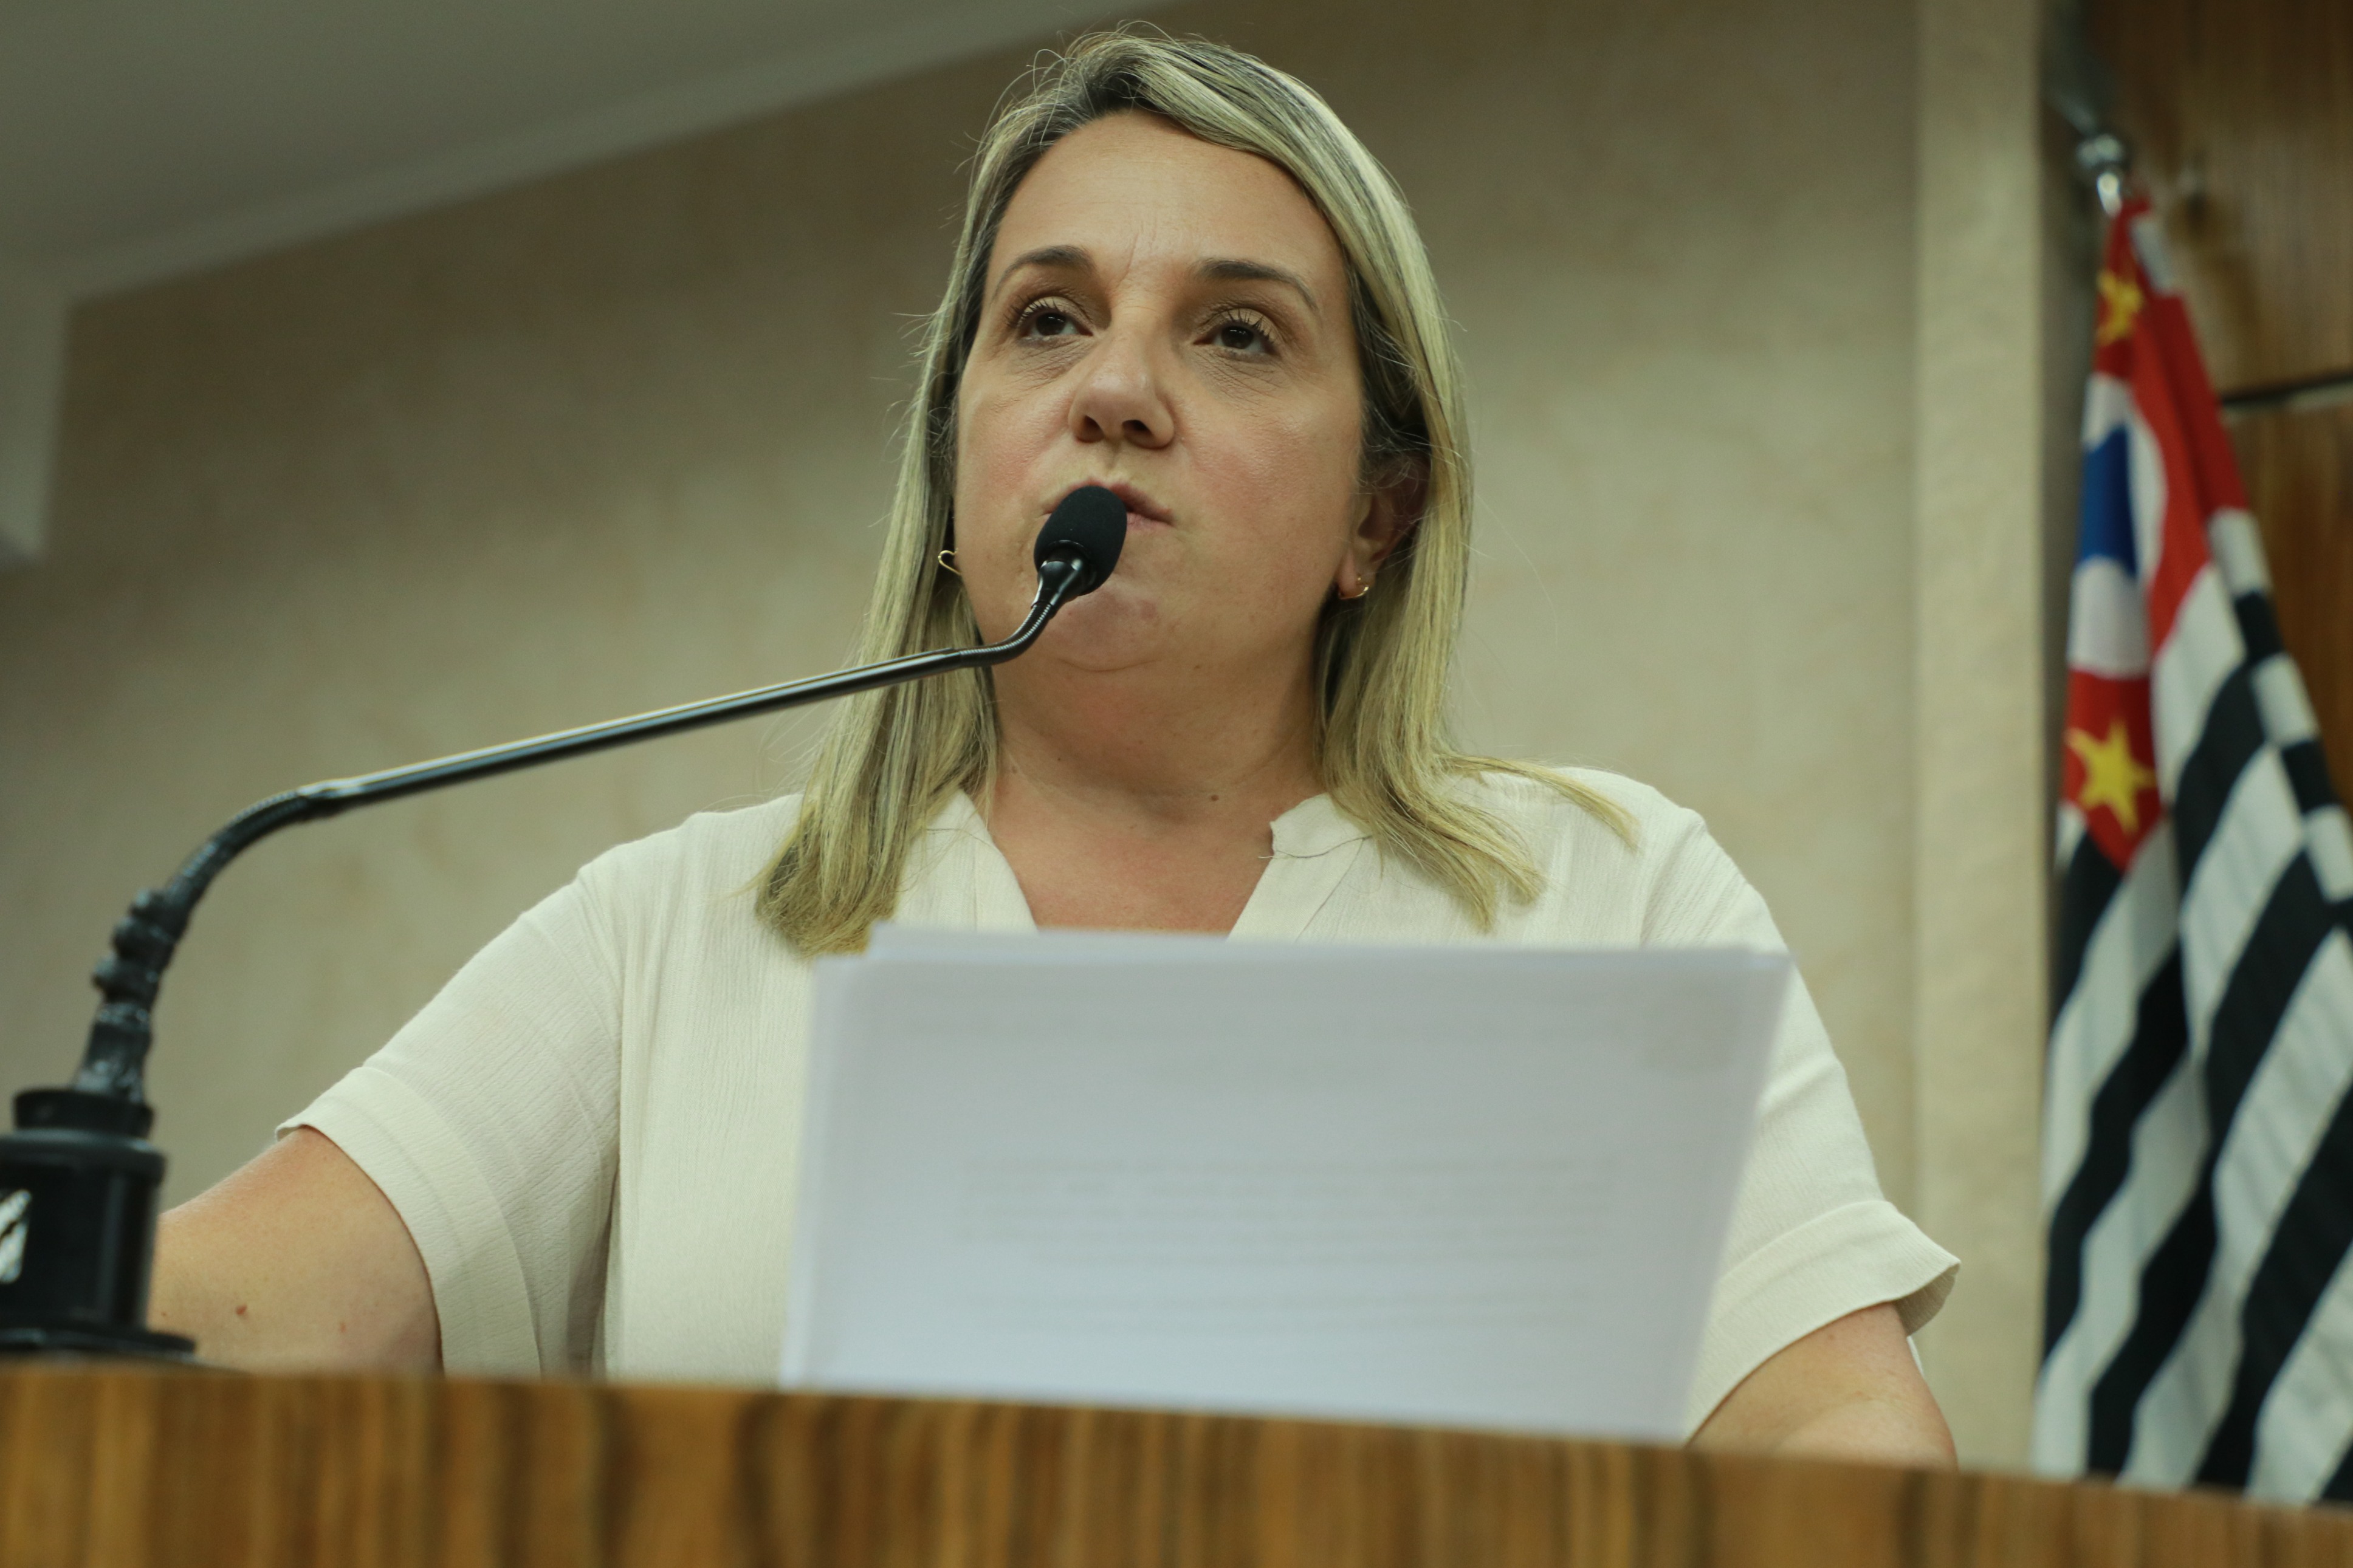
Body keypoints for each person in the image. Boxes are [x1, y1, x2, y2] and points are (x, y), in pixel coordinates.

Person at [152, 29, 1958, 1465]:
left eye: (1236, 334)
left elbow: (1843, 1445)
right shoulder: (677, 933)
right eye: (1048, 320)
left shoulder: (1604, 895)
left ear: (1378, 512)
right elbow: (202, 1326)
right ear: (959, 461)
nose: (1115, 391)